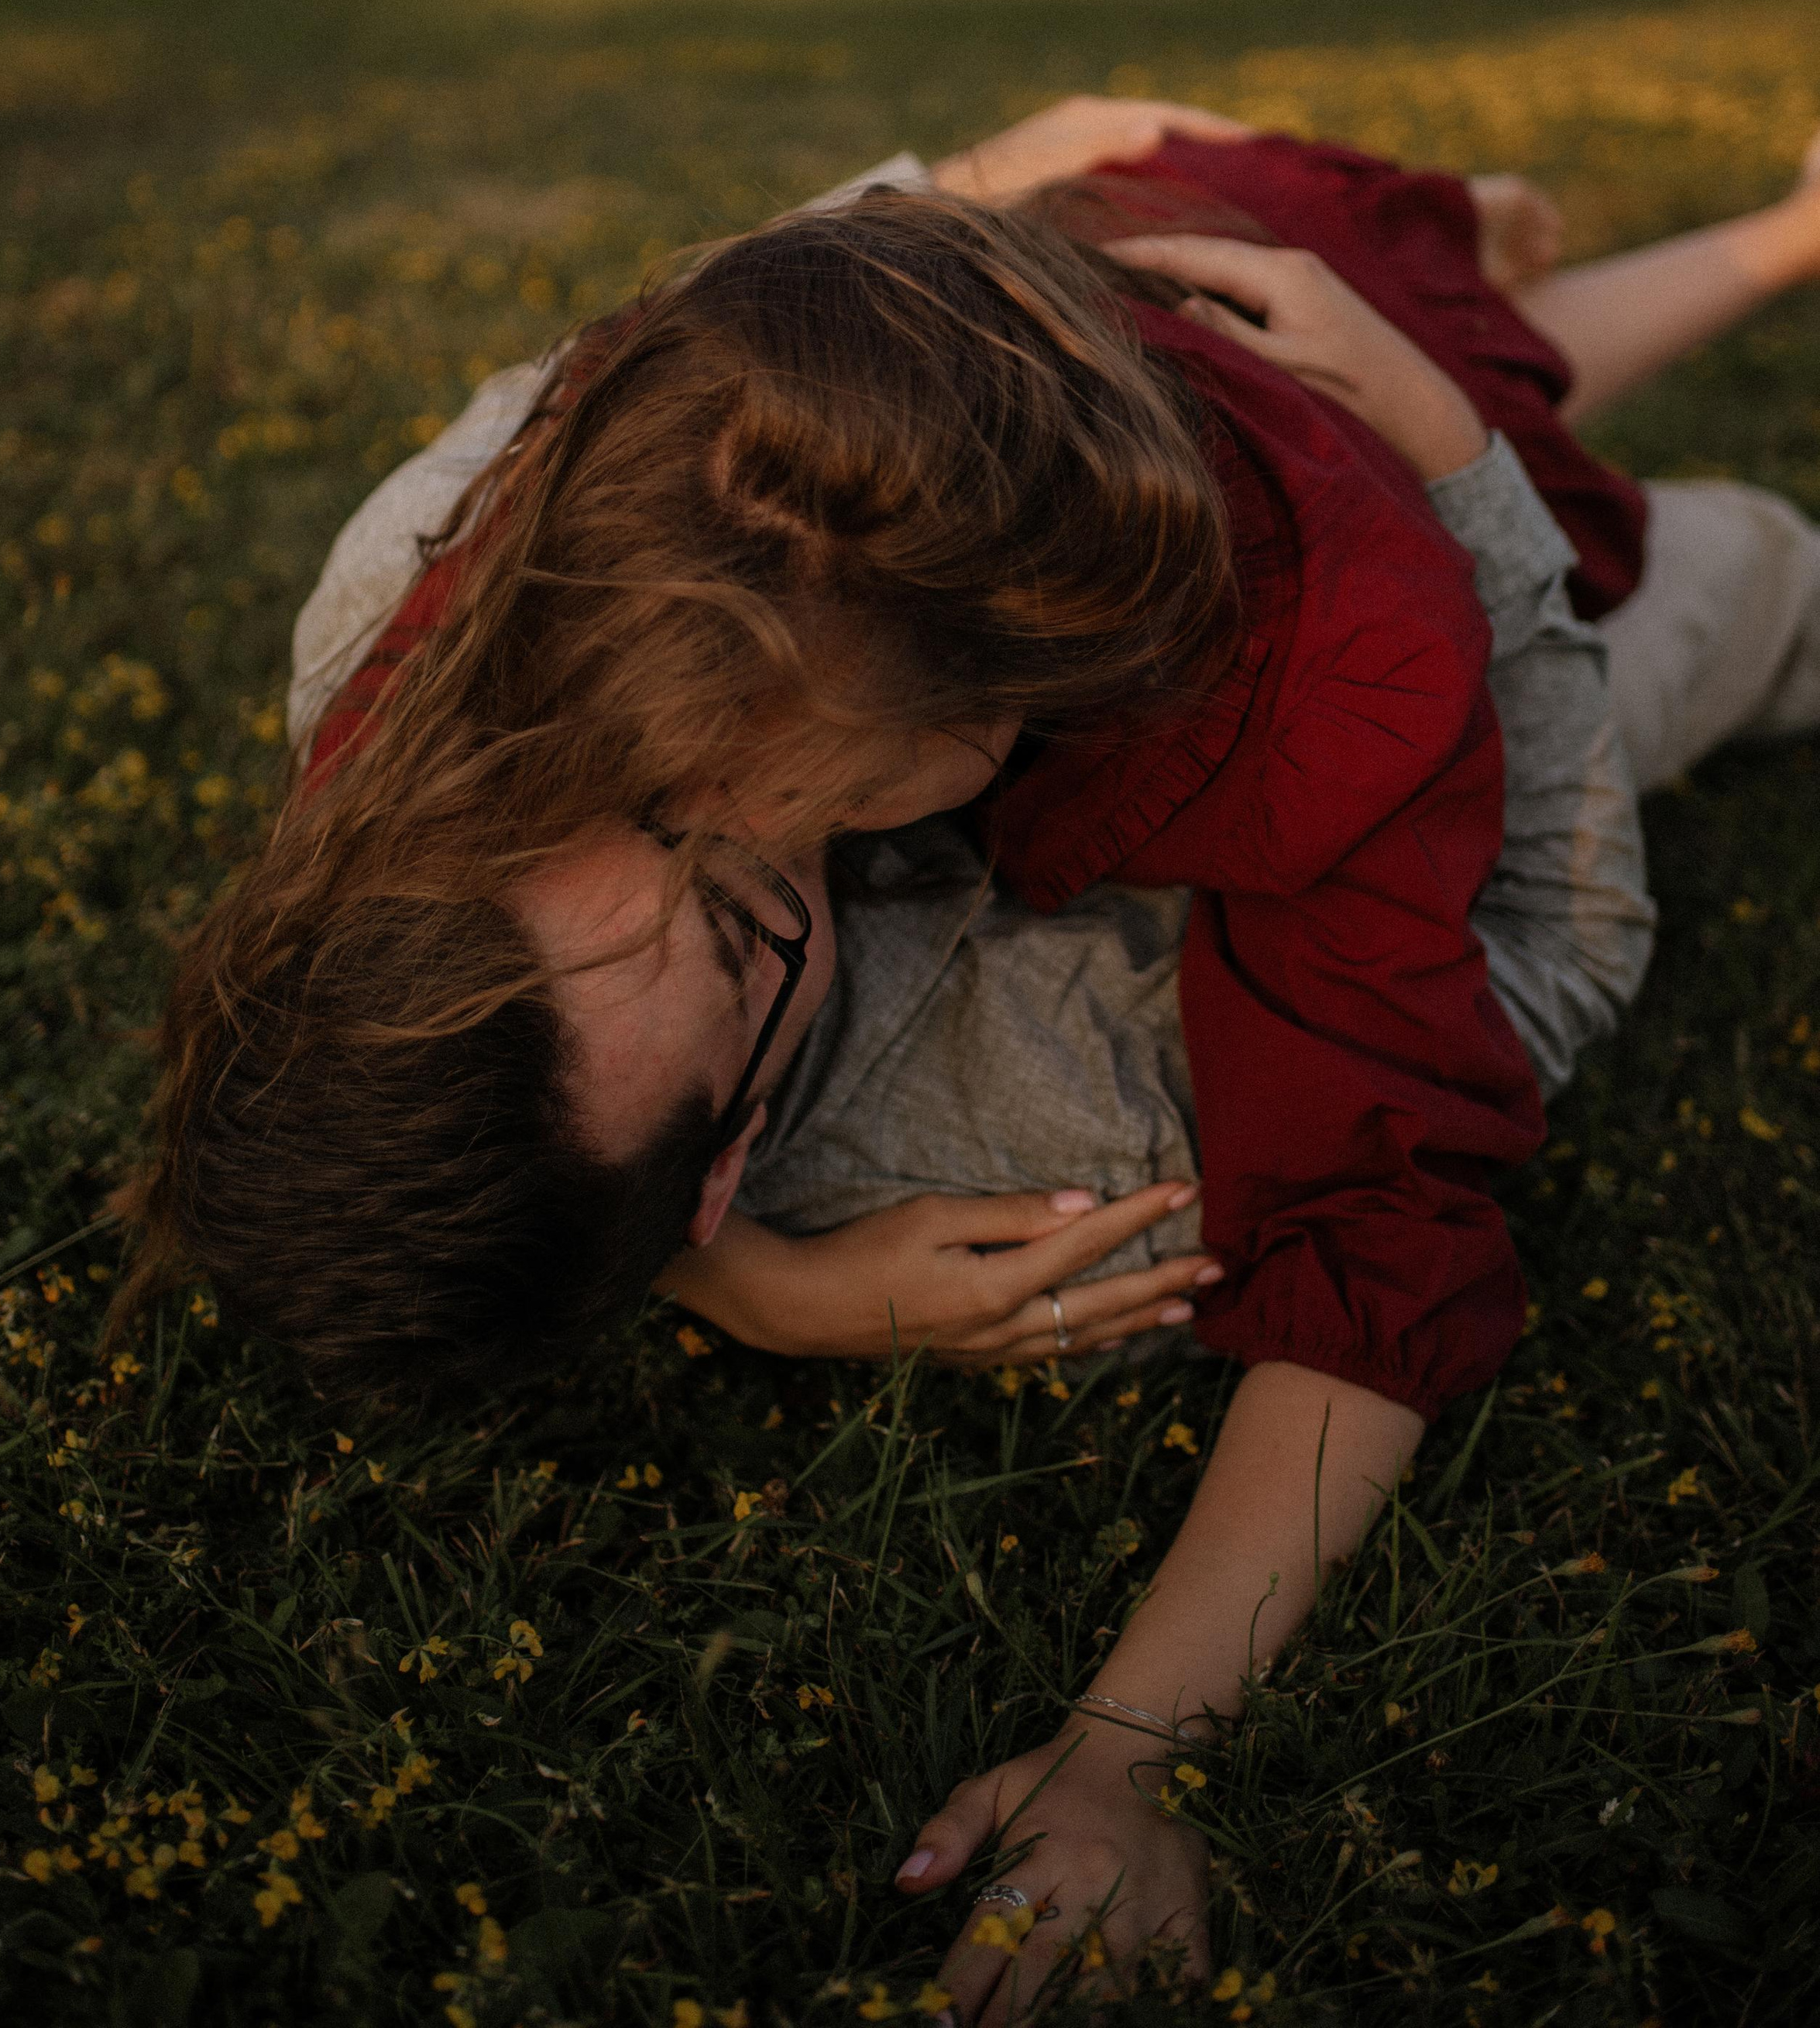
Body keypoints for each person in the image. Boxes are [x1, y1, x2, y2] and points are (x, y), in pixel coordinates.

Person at [113, 99, 1820, 2006]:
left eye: (604, 821)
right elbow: (1434, 1108)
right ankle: (1734, 262)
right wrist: (1471, 491)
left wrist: (995, 185)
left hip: (1122, 299)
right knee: (1681, 559)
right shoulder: (991, 1075)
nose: (701, 797)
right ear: (740, 1144)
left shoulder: (429, 621)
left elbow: (698, 339)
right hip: (1275, 452)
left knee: (1447, 388)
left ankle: (1566, 290)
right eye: (729, 900)